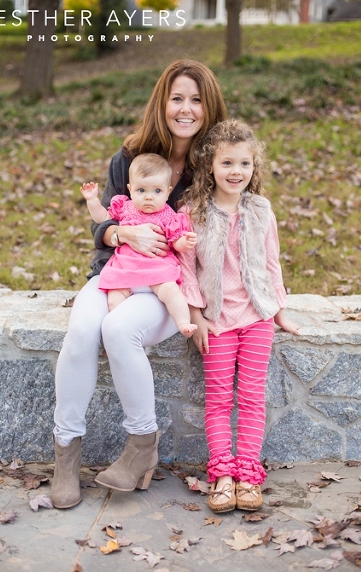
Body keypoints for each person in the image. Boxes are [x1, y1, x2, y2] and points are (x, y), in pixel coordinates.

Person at [51, 60, 228, 509]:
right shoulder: (129, 159)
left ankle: (141, 443)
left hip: (172, 287)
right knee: (81, 333)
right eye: (177, 98)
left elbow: (230, 241)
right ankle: (66, 453)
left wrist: (202, 310)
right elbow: (103, 226)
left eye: (196, 100)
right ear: (162, 103)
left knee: (118, 330)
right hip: (117, 275)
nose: (186, 109)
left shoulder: (218, 164)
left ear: (209, 108)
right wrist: (119, 232)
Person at [178, 119, 299, 513]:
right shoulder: (193, 212)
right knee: (217, 400)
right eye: (227, 163)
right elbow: (184, 269)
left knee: (250, 398)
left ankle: (248, 473)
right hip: (216, 319)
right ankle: (222, 475)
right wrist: (196, 315)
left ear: (254, 167)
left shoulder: (261, 210)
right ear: (210, 166)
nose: (236, 172)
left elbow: (271, 263)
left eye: (244, 164)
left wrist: (278, 310)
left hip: (256, 317)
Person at [80, 154, 198, 337]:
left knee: (171, 291)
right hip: (125, 271)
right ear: (130, 189)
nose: (149, 197)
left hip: (157, 274)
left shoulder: (168, 216)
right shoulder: (125, 208)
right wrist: (92, 201)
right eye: (141, 190)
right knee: (114, 299)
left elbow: (175, 241)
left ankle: (183, 322)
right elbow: (102, 219)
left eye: (157, 191)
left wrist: (185, 242)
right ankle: (113, 335)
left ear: (168, 191)